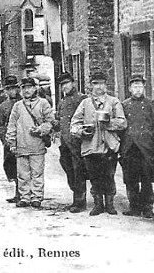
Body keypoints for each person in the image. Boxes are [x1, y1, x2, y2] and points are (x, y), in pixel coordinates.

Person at [70, 72, 127, 216]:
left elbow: (122, 122)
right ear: (91, 85)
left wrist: (109, 123)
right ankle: (98, 205)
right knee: (94, 177)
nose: (99, 87)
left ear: (106, 85)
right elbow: (74, 124)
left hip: (109, 146)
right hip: (91, 146)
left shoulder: (114, 102)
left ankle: (110, 204)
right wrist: (82, 132)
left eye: (102, 83)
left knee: (109, 175)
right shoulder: (85, 103)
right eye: (95, 83)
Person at [6, 77, 55, 209]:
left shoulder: (43, 103)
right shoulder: (17, 106)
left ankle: (36, 197)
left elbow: (51, 121)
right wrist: (12, 142)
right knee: (22, 174)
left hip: (37, 145)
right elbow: (11, 125)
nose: (27, 90)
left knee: (37, 173)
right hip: (21, 145)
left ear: (35, 88)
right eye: (24, 88)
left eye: (29, 87)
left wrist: (41, 129)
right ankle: (24, 197)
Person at [119, 75, 154, 218]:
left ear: (144, 88)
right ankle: (134, 207)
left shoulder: (151, 104)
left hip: (146, 148)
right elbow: (120, 126)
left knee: (146, 178)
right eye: (134, 87)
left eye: (140, 86)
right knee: (131, 179)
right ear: (130, 89)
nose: (137, 89)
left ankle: (147, 207)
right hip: (130, 147)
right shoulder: (124, 105)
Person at [54, 72, 88, 213]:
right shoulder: (61, 102)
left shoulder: (82, 99)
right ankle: (77, 197)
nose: (64, 87)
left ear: (73, 83)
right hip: (65, 144)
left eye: (67, 83)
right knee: (69, 170)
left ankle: (80, 202)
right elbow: (59, 122)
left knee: (78, 171)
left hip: (78, 143)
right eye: (62, 85)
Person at [0, 75, 23, 203]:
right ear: (5, 91)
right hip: (10, 141)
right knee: (11, 166)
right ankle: (18, 193)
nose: (12, 91)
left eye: (14, 88)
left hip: (24, 140)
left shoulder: (24, 103)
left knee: (24, 167)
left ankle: (22, 194)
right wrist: (4, 139)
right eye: (9, 89)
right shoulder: (3, 106)